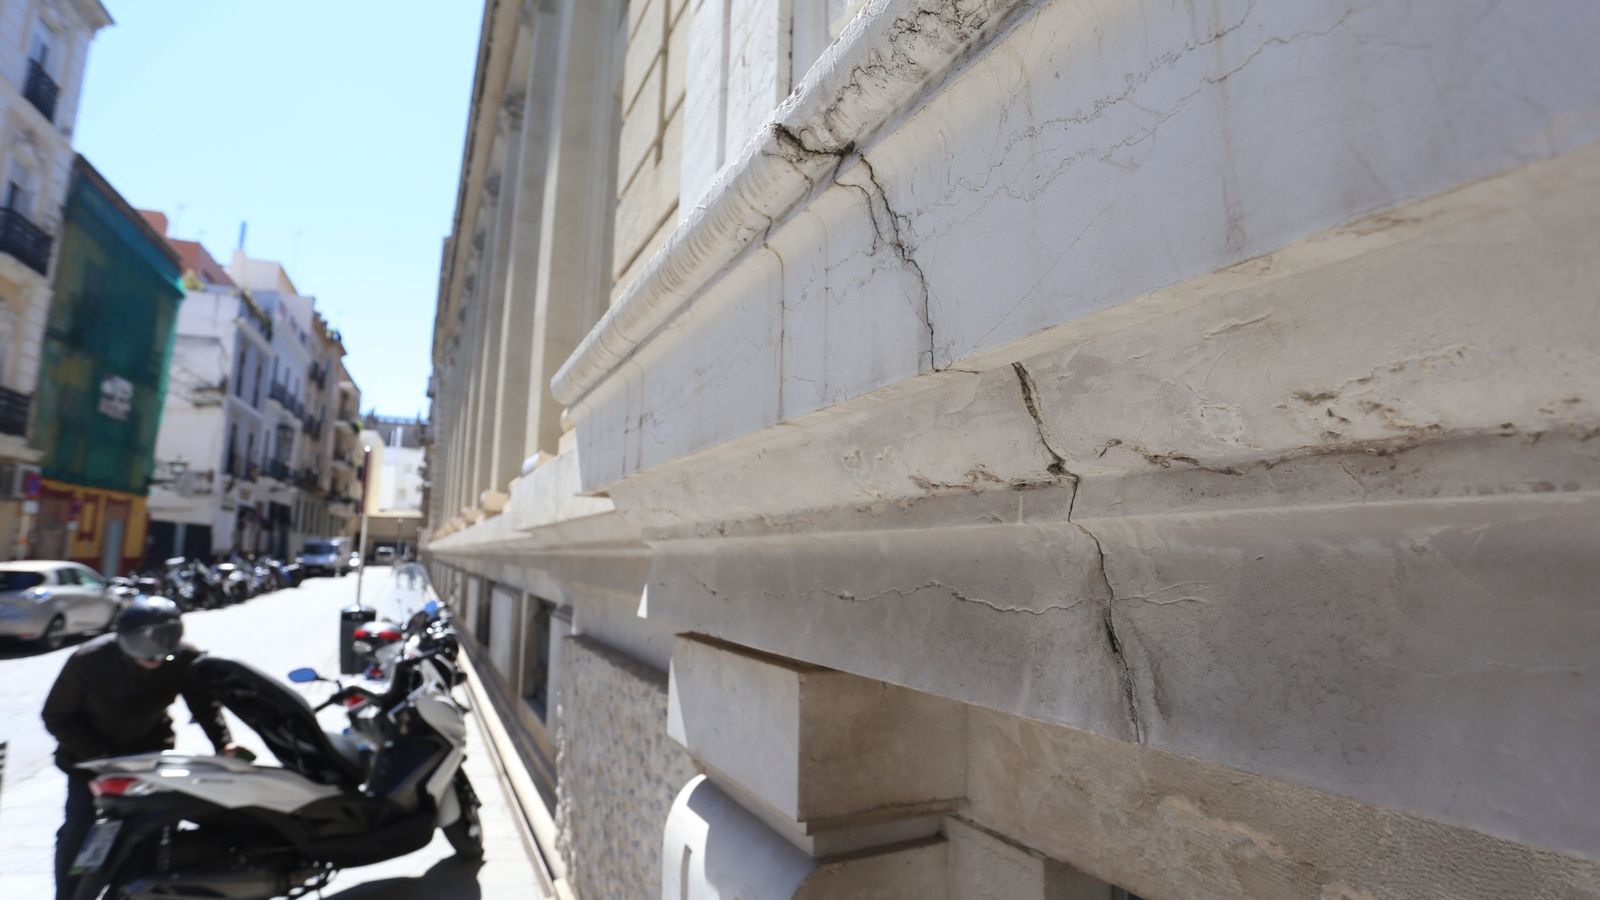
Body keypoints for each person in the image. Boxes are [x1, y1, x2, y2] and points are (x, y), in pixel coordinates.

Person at [41, 596, 241, 900]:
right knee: (79, 830)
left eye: (163, 657)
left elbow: (203, 703)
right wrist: (101, 762)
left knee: (151, 830)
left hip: (147, 757)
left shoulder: (184, 658)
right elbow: (57, 716)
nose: (155, 663)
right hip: (89, 761)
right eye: (147, 657)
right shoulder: (88, 660)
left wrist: (223, 742)